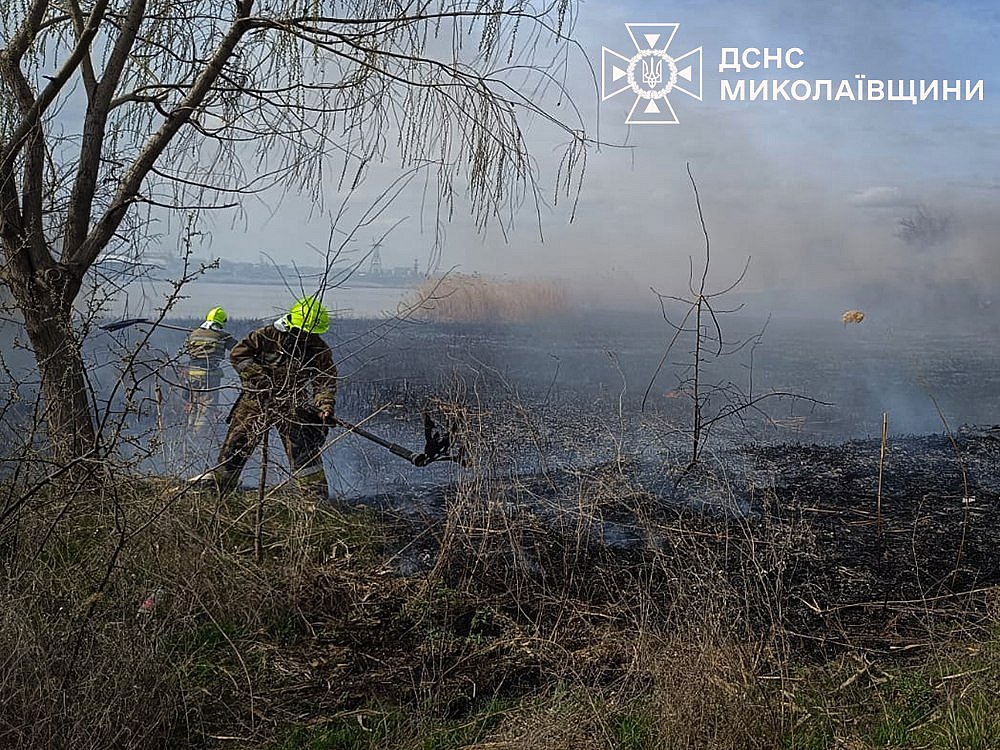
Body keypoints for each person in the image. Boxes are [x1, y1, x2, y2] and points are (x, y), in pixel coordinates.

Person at [192, 296, 337, 499]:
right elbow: (238, 355)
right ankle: (218, 493)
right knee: (236, 447)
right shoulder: (267, 335)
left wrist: (325, 406)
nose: (306, 337)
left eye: (311, 333)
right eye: (303, 332)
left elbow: (325, 380)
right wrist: (262, 381)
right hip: (256, 401)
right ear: (292, 325)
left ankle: (315, 500)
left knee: (304, 451)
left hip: (293, 404)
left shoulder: (317, 348)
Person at [182, 307, 236, 430]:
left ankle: (189, 432)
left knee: (194, 404)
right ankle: (200, 435)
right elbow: (238, 348)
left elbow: (186, 350)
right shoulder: (223, 336)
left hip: (192, 374)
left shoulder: (193, 334)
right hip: (209, 375)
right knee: (207, 407)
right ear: (221, 322)